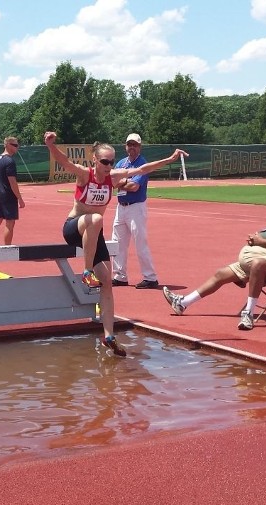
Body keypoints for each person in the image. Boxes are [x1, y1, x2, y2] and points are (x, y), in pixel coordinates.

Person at [44, 130, 188, 356]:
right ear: (95, 160)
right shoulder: (84, 174)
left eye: (111, 162)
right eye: (104, 162)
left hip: (94, 234)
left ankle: (109, 335)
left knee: (107, 284)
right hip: (75, 227)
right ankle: (86, 270)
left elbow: (142, 169)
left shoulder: (113, 177)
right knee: (97, 218)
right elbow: (64, 161)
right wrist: (51, 145)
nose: (109, 166)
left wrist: (170, 159)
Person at [162, 188, 266, 331]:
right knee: (221, 274)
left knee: (257, 264)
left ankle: (248, 313)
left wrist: (260, 242)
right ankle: (182, 303)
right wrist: (256, 239)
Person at [111, 133, 160, 290]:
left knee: (140, 243)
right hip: (121, 207)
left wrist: (121, 182)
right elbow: (112, 182)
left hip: (136, 207)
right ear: (126, 146)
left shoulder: (142, 164)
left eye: (135, 145)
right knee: (117, 243)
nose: (132, 147)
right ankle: (120, 276)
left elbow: (134, 186)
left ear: (139, 147)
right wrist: (125, 182)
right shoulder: (120, 163)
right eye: (129, 144)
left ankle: (150, 277)